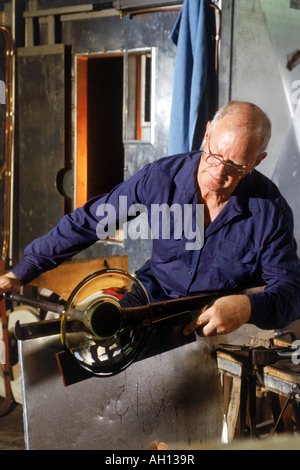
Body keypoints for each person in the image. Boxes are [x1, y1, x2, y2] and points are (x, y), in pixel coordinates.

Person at [1, 101, 300, 336]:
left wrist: (247, 307)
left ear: (257, 161)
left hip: (218, 318)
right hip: (154, 295)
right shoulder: (160, 179)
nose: (219, 173)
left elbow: (291, 293)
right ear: (207, 133)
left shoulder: (270, 211)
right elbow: (89, 222)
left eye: (235, 167)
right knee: (96, 344)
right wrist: (22, 272)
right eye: (214, 155)